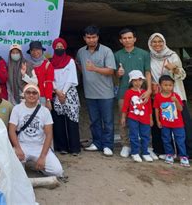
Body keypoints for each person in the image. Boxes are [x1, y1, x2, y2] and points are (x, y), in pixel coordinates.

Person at [148, 33, 192, 157]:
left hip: (175, 94)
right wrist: (152, 84)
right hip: (159, 95)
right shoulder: (149, 57)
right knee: (160, 123)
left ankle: (187, 152)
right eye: (154, 42)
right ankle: (162, 150)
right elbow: (149, 73)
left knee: (183, 123)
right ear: (150, 44)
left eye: (160, 41)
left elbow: (182, 75)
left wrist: (174, 68)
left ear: (164, 42)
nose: (157, 44)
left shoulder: (172, 56)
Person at [75, 25, 116, 157]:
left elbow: (110, 71)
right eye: (88, 37)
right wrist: (86, 73)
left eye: (93, 37)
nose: (91, 40)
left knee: (108, 121)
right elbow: (78, 64)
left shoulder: (106, 51)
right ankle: (97, 143)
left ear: (98, 37)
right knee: (94, 120)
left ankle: (108, 145)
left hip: (106, 93)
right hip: (90, 93)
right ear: (84, 38)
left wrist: (94, 69)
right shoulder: (81, 51)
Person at [8, 84, 64, 177]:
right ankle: (23, 166)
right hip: (22, 145)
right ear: (24, 95)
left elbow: (49, 135)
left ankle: (39, 167)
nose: (31, 95)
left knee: (57, 172)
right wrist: (17, 148)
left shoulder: (45, 111)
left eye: (34, 93)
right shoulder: (17, 109)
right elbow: (11, 130)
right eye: (28, 92)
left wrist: (42, 157)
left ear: (38, 95)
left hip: (39, 146)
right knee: (12, 170)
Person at [115, 27, 152, 158]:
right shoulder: (117, 55)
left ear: (135, 39)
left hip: (142, 93)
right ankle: (126, 144)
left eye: (130, 37)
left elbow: (147, 72)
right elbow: (114, 76)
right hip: (124, 92)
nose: (127, 40)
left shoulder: (144, 54)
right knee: (124, 118)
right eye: (124, 38)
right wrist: (117, 74)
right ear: (121, 40)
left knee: (144, 118)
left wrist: (149, 90)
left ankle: (145, 146)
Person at [50, 38, 81, 155]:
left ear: (65, 47)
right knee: (58, 122)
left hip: (70, 93)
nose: (59, 49)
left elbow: (72, 78)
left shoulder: (70, 61)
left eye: (61, 46)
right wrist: (57, 91)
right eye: (56, 47)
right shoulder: (51, 62)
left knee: (72, 121)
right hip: (56, 93)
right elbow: (50, 78)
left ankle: (74, 148)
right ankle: (62, 147)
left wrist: (63, 92)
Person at [154, 75, 190, 167]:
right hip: (165, 123)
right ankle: (169, 154)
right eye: (165, 85)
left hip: (178, 124)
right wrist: (158, 121)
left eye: (170, 85)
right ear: (160, 85)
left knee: (180, 140)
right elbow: (157, 109)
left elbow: (181, 109)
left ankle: (183, 156)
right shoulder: (158, 97)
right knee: (166, 139)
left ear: (173, 86)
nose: (168, 87)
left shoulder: (176, 96)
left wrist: (176, 101)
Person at [120, 70, 153, 163]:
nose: (137, 83)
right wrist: (123, 117)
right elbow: (125, 106)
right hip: (133, 118)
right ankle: (135, 152)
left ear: (143, 81)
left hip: (145, 118)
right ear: (131, 81)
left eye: (139, 80)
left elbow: (149, 107)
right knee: (134, 135)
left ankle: (145, 152)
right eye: (134, 80)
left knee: (145, 136)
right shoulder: (128, 92)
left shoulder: (146, 93)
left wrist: (150, 118)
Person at [23, 41, 54, 109]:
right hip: (29, 95)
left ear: (42, 51)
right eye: (33, 50)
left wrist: (48, 100)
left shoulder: (47, 64)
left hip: (43, 97)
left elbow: (49, 83)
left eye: (38, 49)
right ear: (30, 52)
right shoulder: (26, 64)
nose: (35, 52)